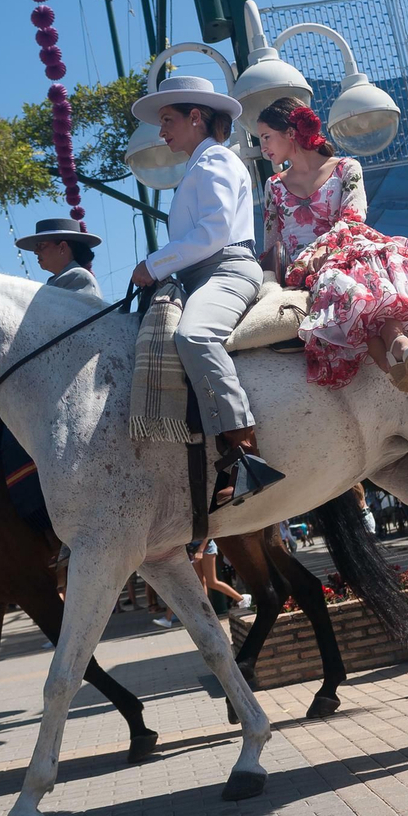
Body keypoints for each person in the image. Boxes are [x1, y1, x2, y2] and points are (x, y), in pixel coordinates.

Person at [258, 99, 408, 395]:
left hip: (346, 247)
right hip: (304, 267)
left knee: (357, 271)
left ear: (291, 132)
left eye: (266, 137)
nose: (263, 147)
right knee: (344, 279)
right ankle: (402, 351)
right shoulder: (274, 185)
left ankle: (400, 357)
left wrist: (325, 249)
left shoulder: (346, 167)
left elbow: (353, 217)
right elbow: (272, 243)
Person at [130, 74, 284, 509]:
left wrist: (153, 264)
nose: (161, 131)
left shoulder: (215, 159)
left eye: (167, 120)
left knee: (194, 336)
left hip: (228, 269)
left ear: (195, 116)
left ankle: (245, 452)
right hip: (202, 275)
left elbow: (214, 231)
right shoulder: (199, 165)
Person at [152, 539, 252, 628]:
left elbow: (208, 533)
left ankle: (241, 598)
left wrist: (200, 550)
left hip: (206, 547)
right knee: (199, 582)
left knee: (211, 582)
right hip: (194, 549)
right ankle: (200, 614)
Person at [16, 218, 103, 298]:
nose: (36, 251)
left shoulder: (78, 277)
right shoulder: (61, 280)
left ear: (62, 247)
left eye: (42, 245)